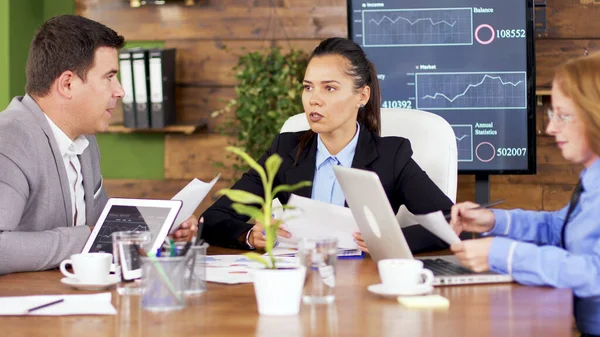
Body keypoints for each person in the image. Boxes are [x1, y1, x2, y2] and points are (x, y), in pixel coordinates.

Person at [202, 37, 452, 253]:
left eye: (329, 88)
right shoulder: (286, 149)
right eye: (308, 87)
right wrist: (249, 235)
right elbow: (213, 218)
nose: (314, 100)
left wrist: (393, 239)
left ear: (362, 96)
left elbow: (453, 222)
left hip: (364, 286)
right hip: (302, 283)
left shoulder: (391, 156)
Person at [0, 15, 196, 275]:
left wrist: (157, 233)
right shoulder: (9, 138)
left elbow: (103, 226)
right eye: (109, 77)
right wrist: (86, 239)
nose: (120, 91)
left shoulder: (85, 140)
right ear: (67, 84)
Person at [449, 53, 600, 337]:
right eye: (552, 114)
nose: (551, 127)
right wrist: (493, 221)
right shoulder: (593, 177)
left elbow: (595, 274)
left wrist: (504, 255)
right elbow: (560, 227)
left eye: (563, 115)